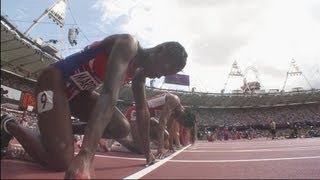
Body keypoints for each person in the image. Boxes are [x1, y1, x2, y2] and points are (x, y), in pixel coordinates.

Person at [1, 34, 187, 179]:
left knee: (121, 128)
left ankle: (62, 130)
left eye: (165, 75)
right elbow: (108, 94)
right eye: (164, 69)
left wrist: (148, 155)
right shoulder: (128, 44)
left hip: (78, 94)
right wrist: (86, 155)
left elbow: (142, 112)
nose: (159, 76)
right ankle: (8, 123)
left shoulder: (140, 74)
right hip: (54, 81)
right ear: (160, 49)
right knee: (61, 162)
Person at [117, 92, 194, 158]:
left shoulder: (176, 112)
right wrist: (160, 149)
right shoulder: (174, 100)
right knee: (141, 150)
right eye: (181, 121)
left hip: (146, 118)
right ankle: (116, 137)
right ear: (183, 114)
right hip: (136, 113)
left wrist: (170, 146)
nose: (178, 121)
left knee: (166, 135)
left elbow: (169, 128)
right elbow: (162, 123)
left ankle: (142, 141)